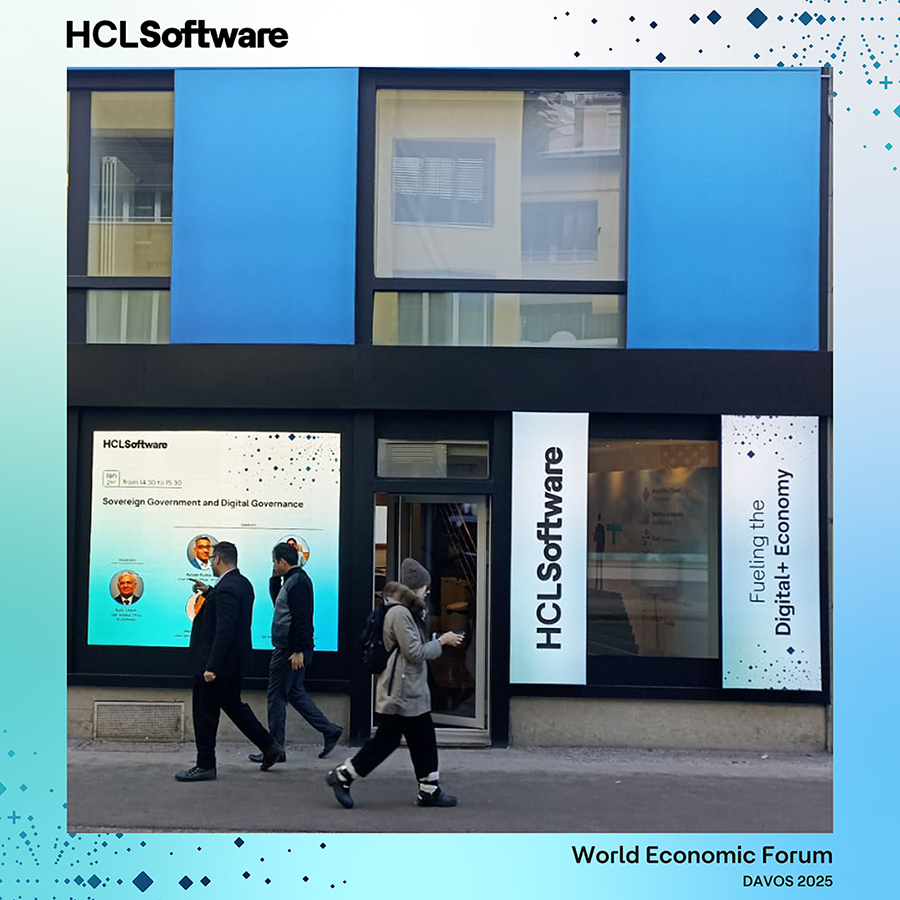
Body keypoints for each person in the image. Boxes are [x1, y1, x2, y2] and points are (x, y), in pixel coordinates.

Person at [325, 558, 463, 809]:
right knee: (387, 741)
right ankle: (343, 776)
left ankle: (429, 789)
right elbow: (414, 652)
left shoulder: (405, 611)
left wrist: (435, 639)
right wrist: (442, 642)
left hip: (408, 688)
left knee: (421, 738)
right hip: (401, 690)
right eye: (425, 587)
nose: (428, 591)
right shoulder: (400, 613)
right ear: (416, 587)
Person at [175, 541, 283, 782]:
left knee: (204, 713)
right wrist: (208, 591)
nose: (211, 563)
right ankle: (269, 747)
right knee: (234, 707)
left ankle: (205, 765)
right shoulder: (240, 583)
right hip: (233, 663)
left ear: (217, 559)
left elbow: (225, 629)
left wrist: (211, 666)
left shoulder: (227, 588)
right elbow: (228, 612)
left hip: (218, 665)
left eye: (212, 558)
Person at [248, 542, 342, 764]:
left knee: (275, 697)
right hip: (292, 648)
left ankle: (275, 748)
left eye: (274, 562)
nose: (273, 565)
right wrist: (274, 579)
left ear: (282, 561)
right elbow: (279, 605)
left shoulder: (297, 582)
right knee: (295, 693)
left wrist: (299, 650)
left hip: (289, 651)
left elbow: (302, 618)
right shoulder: (292, 580)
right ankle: (329, 730)